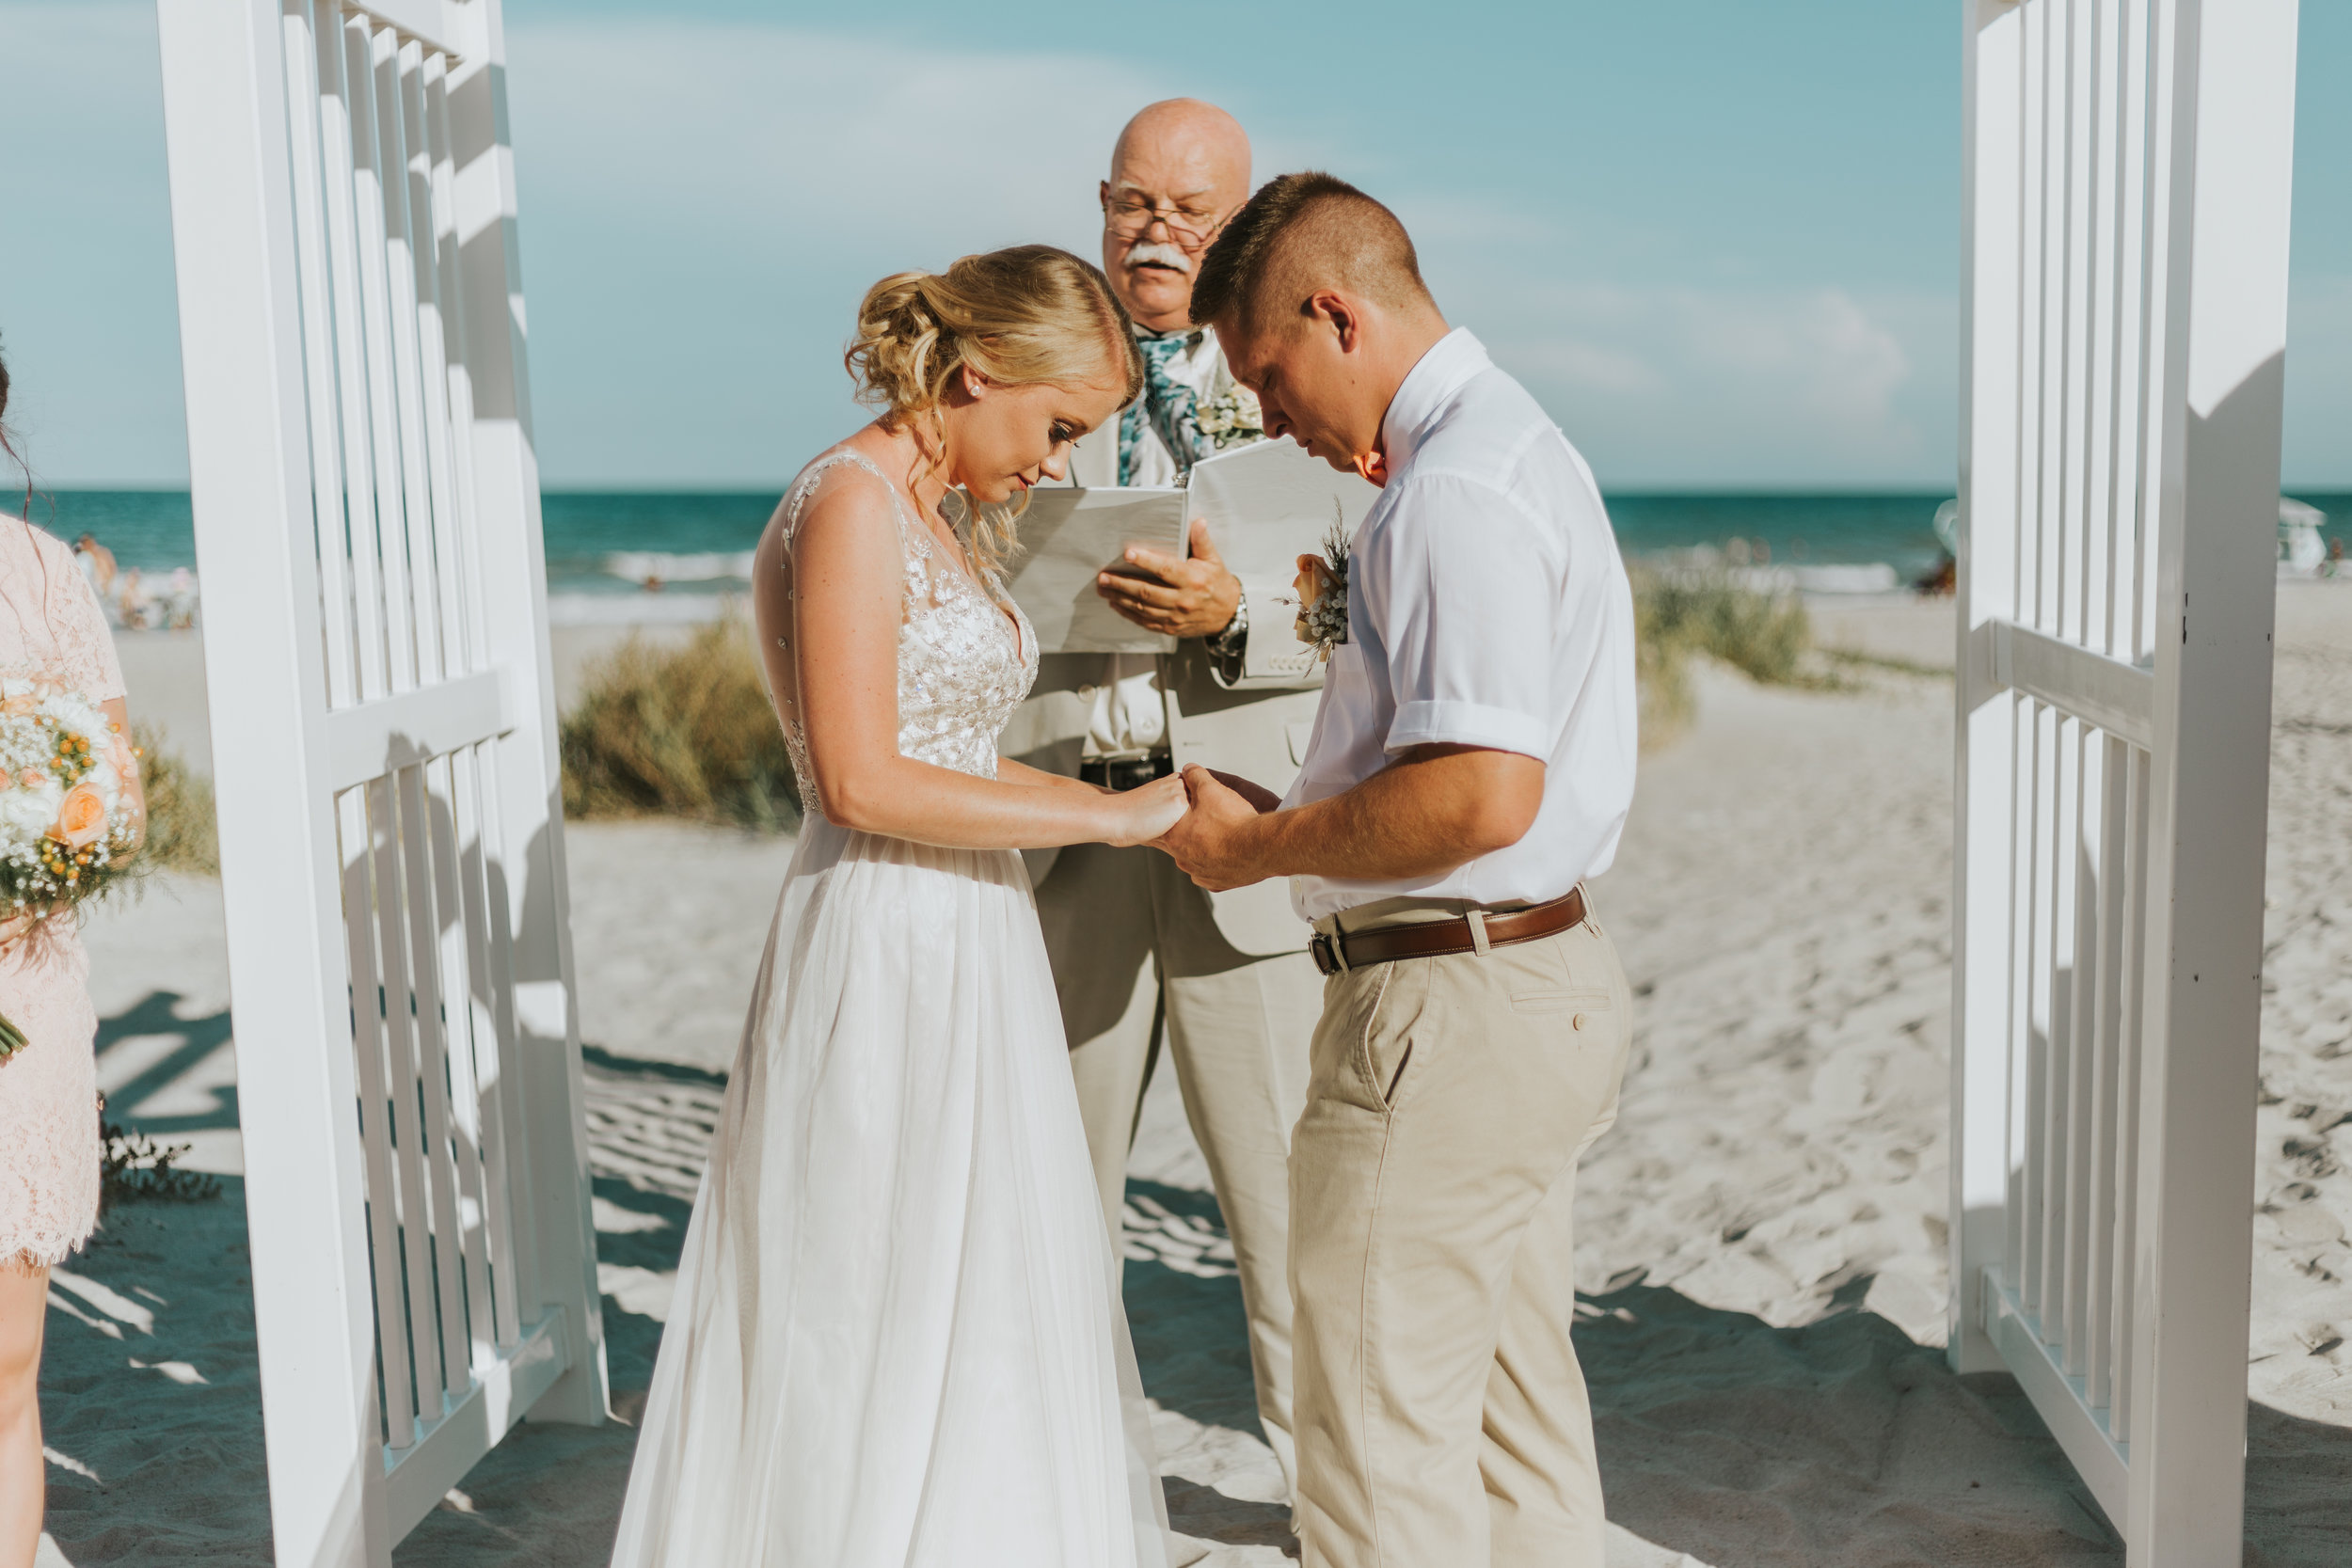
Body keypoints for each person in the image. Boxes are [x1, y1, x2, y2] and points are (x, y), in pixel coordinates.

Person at [608, 246, 1189, 1568]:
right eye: (1055, 429)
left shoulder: (931, 512)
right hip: (885, 931)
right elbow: (865, 778)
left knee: (969, 1277)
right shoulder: (853, 503)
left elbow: (950, 751)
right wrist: (1109, 816)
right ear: (978, 372)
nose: (1054, 467)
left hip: (970, 931)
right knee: (865, 1279)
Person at [1158, 173, 1641, 1567]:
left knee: (1374, 1441)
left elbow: (1478, 796)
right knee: (1509, 1411)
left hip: (1450, 1005)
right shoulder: (1516, 447)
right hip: (1529, 979)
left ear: (1334, 315)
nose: (1265, 414)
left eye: (1265, 371)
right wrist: (1307, 806)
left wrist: (1254, 847)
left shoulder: (1455, 492)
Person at [999, 96, 1324, 1492]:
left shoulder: (1300, 374)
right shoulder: (1022, 367)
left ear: (1240, 222)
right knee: (1054, 1192)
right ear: (1101, 203)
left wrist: (1234, 610)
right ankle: (1074, 1491)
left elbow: (1368, 606)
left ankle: (1332, 1498)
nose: (1159, 232)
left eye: (1193, 213)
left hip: (1239, 827)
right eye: (1138, 203)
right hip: (1065, 822)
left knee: (1285, 1198)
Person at [0, 351, 146, 1568]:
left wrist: (39, 861)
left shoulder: (44, 576)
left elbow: (116, 796)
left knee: (5, 1359)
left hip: (20, 980)